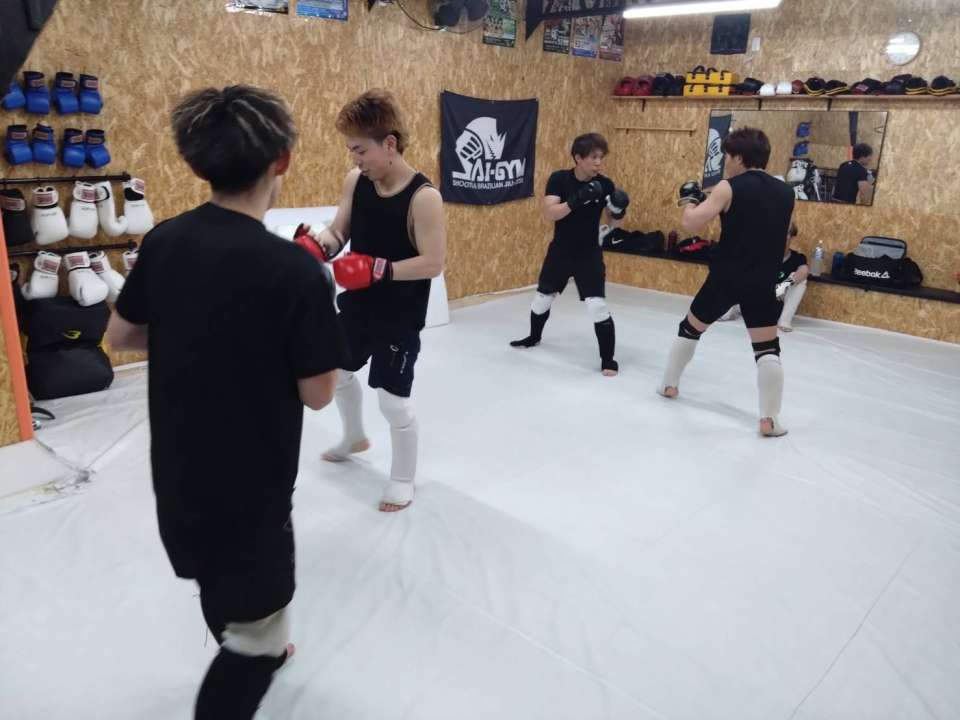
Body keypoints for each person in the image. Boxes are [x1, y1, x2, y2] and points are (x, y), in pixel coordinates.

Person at [106, 85, 347, 719]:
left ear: (195, 163)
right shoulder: (295, 271)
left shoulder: (164, 240)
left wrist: (204, 333)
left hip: (178, 476)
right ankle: (253, 652)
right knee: (257, 645)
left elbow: (121, 335)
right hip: (251, 493)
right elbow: (319, 394)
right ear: (283, 160)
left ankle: (246, 637)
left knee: (217, 582)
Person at [296, 89, 446, 513]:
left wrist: (381, 269)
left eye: (361, 150)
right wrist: (319, 245)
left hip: (400, 315)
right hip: (359, 304)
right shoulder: (356, 181)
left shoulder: (424, 197)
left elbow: (434, 263)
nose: (356, 159)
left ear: (390, 143)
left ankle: (402, 478)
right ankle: (354, 437)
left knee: (392, 401)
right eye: (352, 150)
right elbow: (339, 231)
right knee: (338, 373)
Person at [658, 127, 795, 437]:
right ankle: (770, 420)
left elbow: (692, 223)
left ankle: (669, 385)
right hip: (762, 279)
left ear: (739, 158)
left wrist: (689, 200)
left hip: (726, 276)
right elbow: (783, 231)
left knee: (690, 328)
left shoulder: (727, 187)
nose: (726, 164)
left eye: (727, 157)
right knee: (767, 349)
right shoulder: (786, 193)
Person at [509, 132, 629, 376]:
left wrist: (618, 210)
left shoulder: (605, 184)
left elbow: (613, 221)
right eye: (593, 157)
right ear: (578, 158)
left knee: (597, 306)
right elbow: (550, 213)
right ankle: (533, 337)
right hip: (560, 251)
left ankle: (608, 360)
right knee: (542, 299)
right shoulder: (559, 179)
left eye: (601, 157)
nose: (598, 163)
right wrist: (578, 199)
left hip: (589, 254)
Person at [719, 223, 809, 331]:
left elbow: (804, 271)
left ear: (791, 237)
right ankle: (725, 313)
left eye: (785, 232)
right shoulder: (761, 254)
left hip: (772, 310)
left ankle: (784, 321)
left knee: (801, 282)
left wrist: (783, 286)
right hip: (752, 301)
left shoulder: (797, 258)